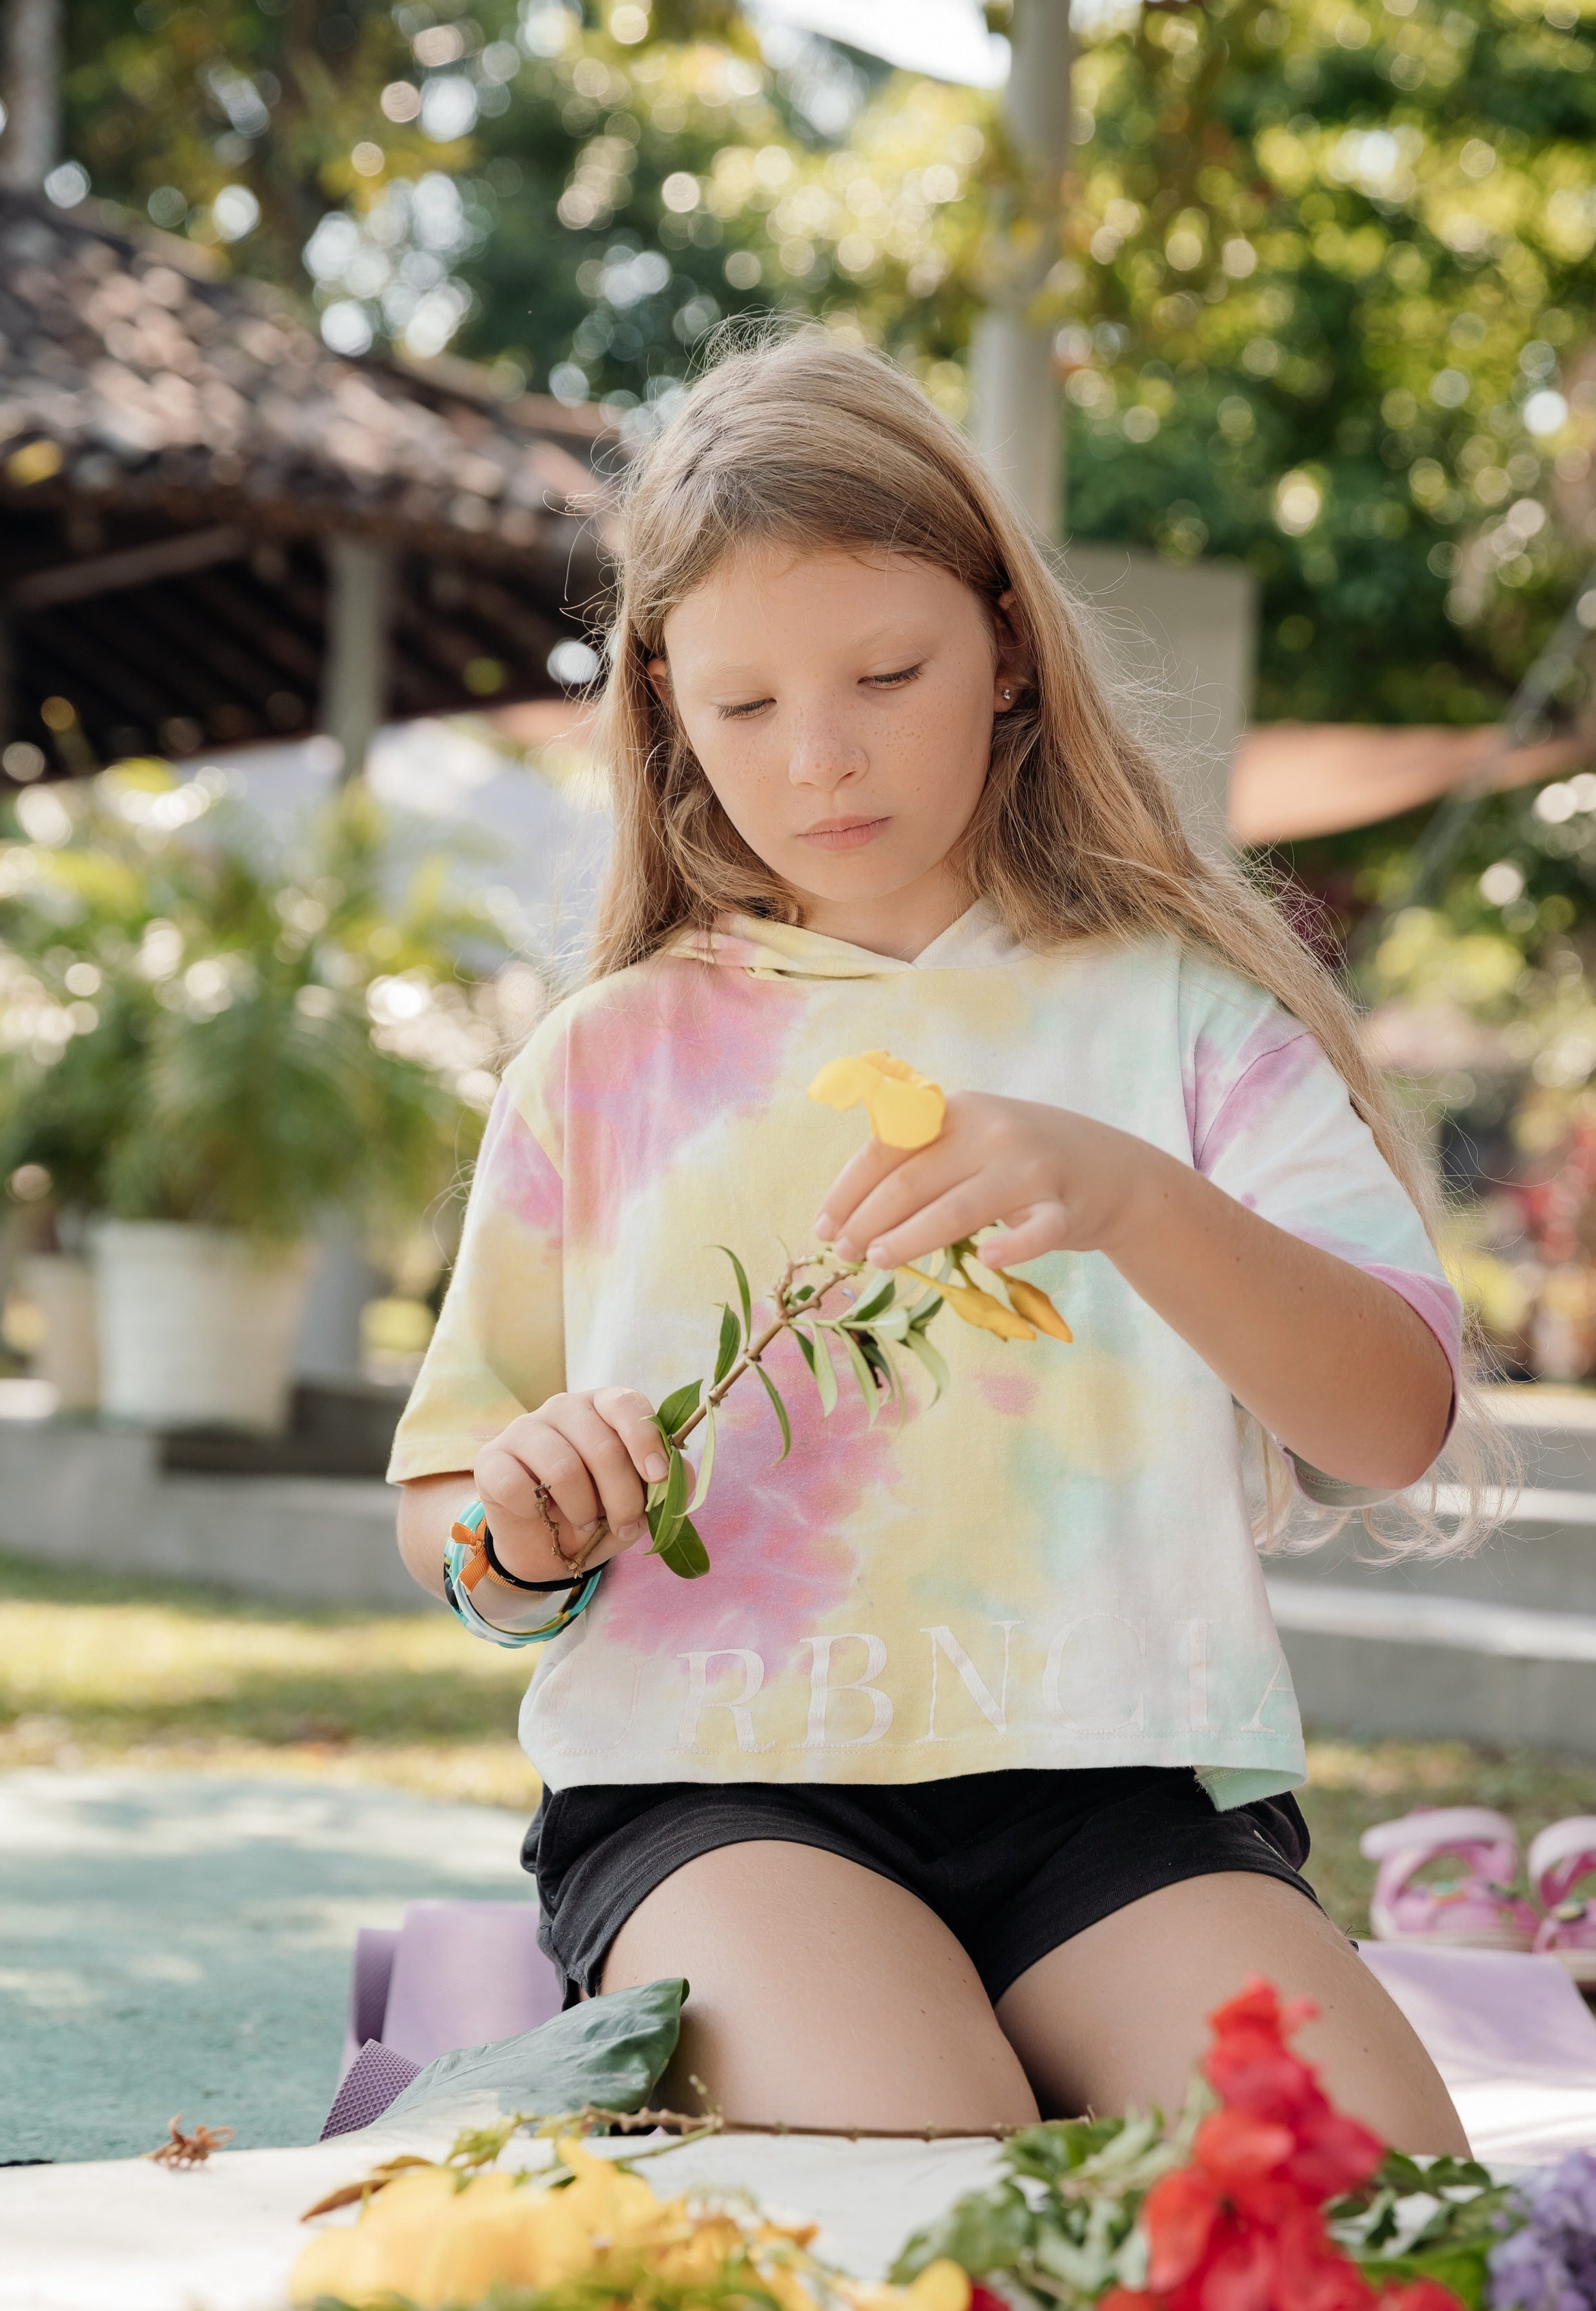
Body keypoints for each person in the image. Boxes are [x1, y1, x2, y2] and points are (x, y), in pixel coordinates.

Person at [393, 332, 1474, 2153]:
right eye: (741, 707)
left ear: (1003, 649)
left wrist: (1132, 1190)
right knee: (921, 2161)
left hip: (1120, 1794)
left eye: (887, 672)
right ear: (660, 701)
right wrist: (521, 1527)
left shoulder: (1187, 1017)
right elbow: (451, 1497)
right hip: (711, 1788)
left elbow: (1394, 1421)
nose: (820, 759)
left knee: (1380, 2209)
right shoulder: (606, 1055)